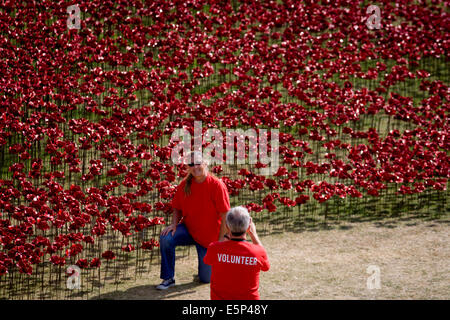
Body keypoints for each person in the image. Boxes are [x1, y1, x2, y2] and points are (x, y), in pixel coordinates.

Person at [156, 151, 230, 290]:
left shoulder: (216, 185)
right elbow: (177, 207)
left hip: (209, 239)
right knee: (166, 238)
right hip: (189, 231)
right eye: (191, 164)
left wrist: (220, 242)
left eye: (198, 163)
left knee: (205, 279)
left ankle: (208, 270)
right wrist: (174, 224)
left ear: (205, 163)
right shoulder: (185, 185)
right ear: (187, 167)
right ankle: (168, 278)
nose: (195, 167)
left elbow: (225, 215)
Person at [203, 206, 270, 300]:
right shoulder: (258, 251)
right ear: (248, 227)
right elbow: (266, 267)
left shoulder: (214, 248)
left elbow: (208, 261)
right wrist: (253, 235)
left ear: (227, 226)